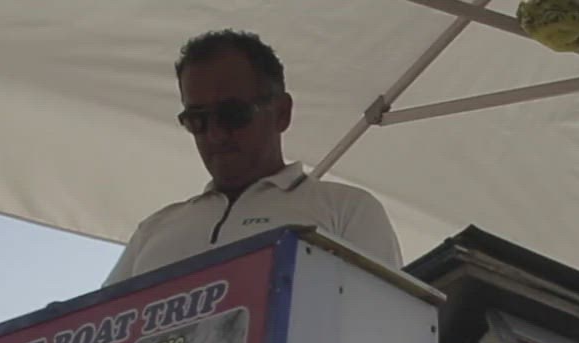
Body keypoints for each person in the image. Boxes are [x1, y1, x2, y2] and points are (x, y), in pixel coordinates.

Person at [105, 30, 402, 286]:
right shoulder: (153, 230)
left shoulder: (346, 210)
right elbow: (96, 330)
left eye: (233, 114)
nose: (215, 135)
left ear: (282, 112)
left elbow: (383, 322)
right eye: (197, 120)